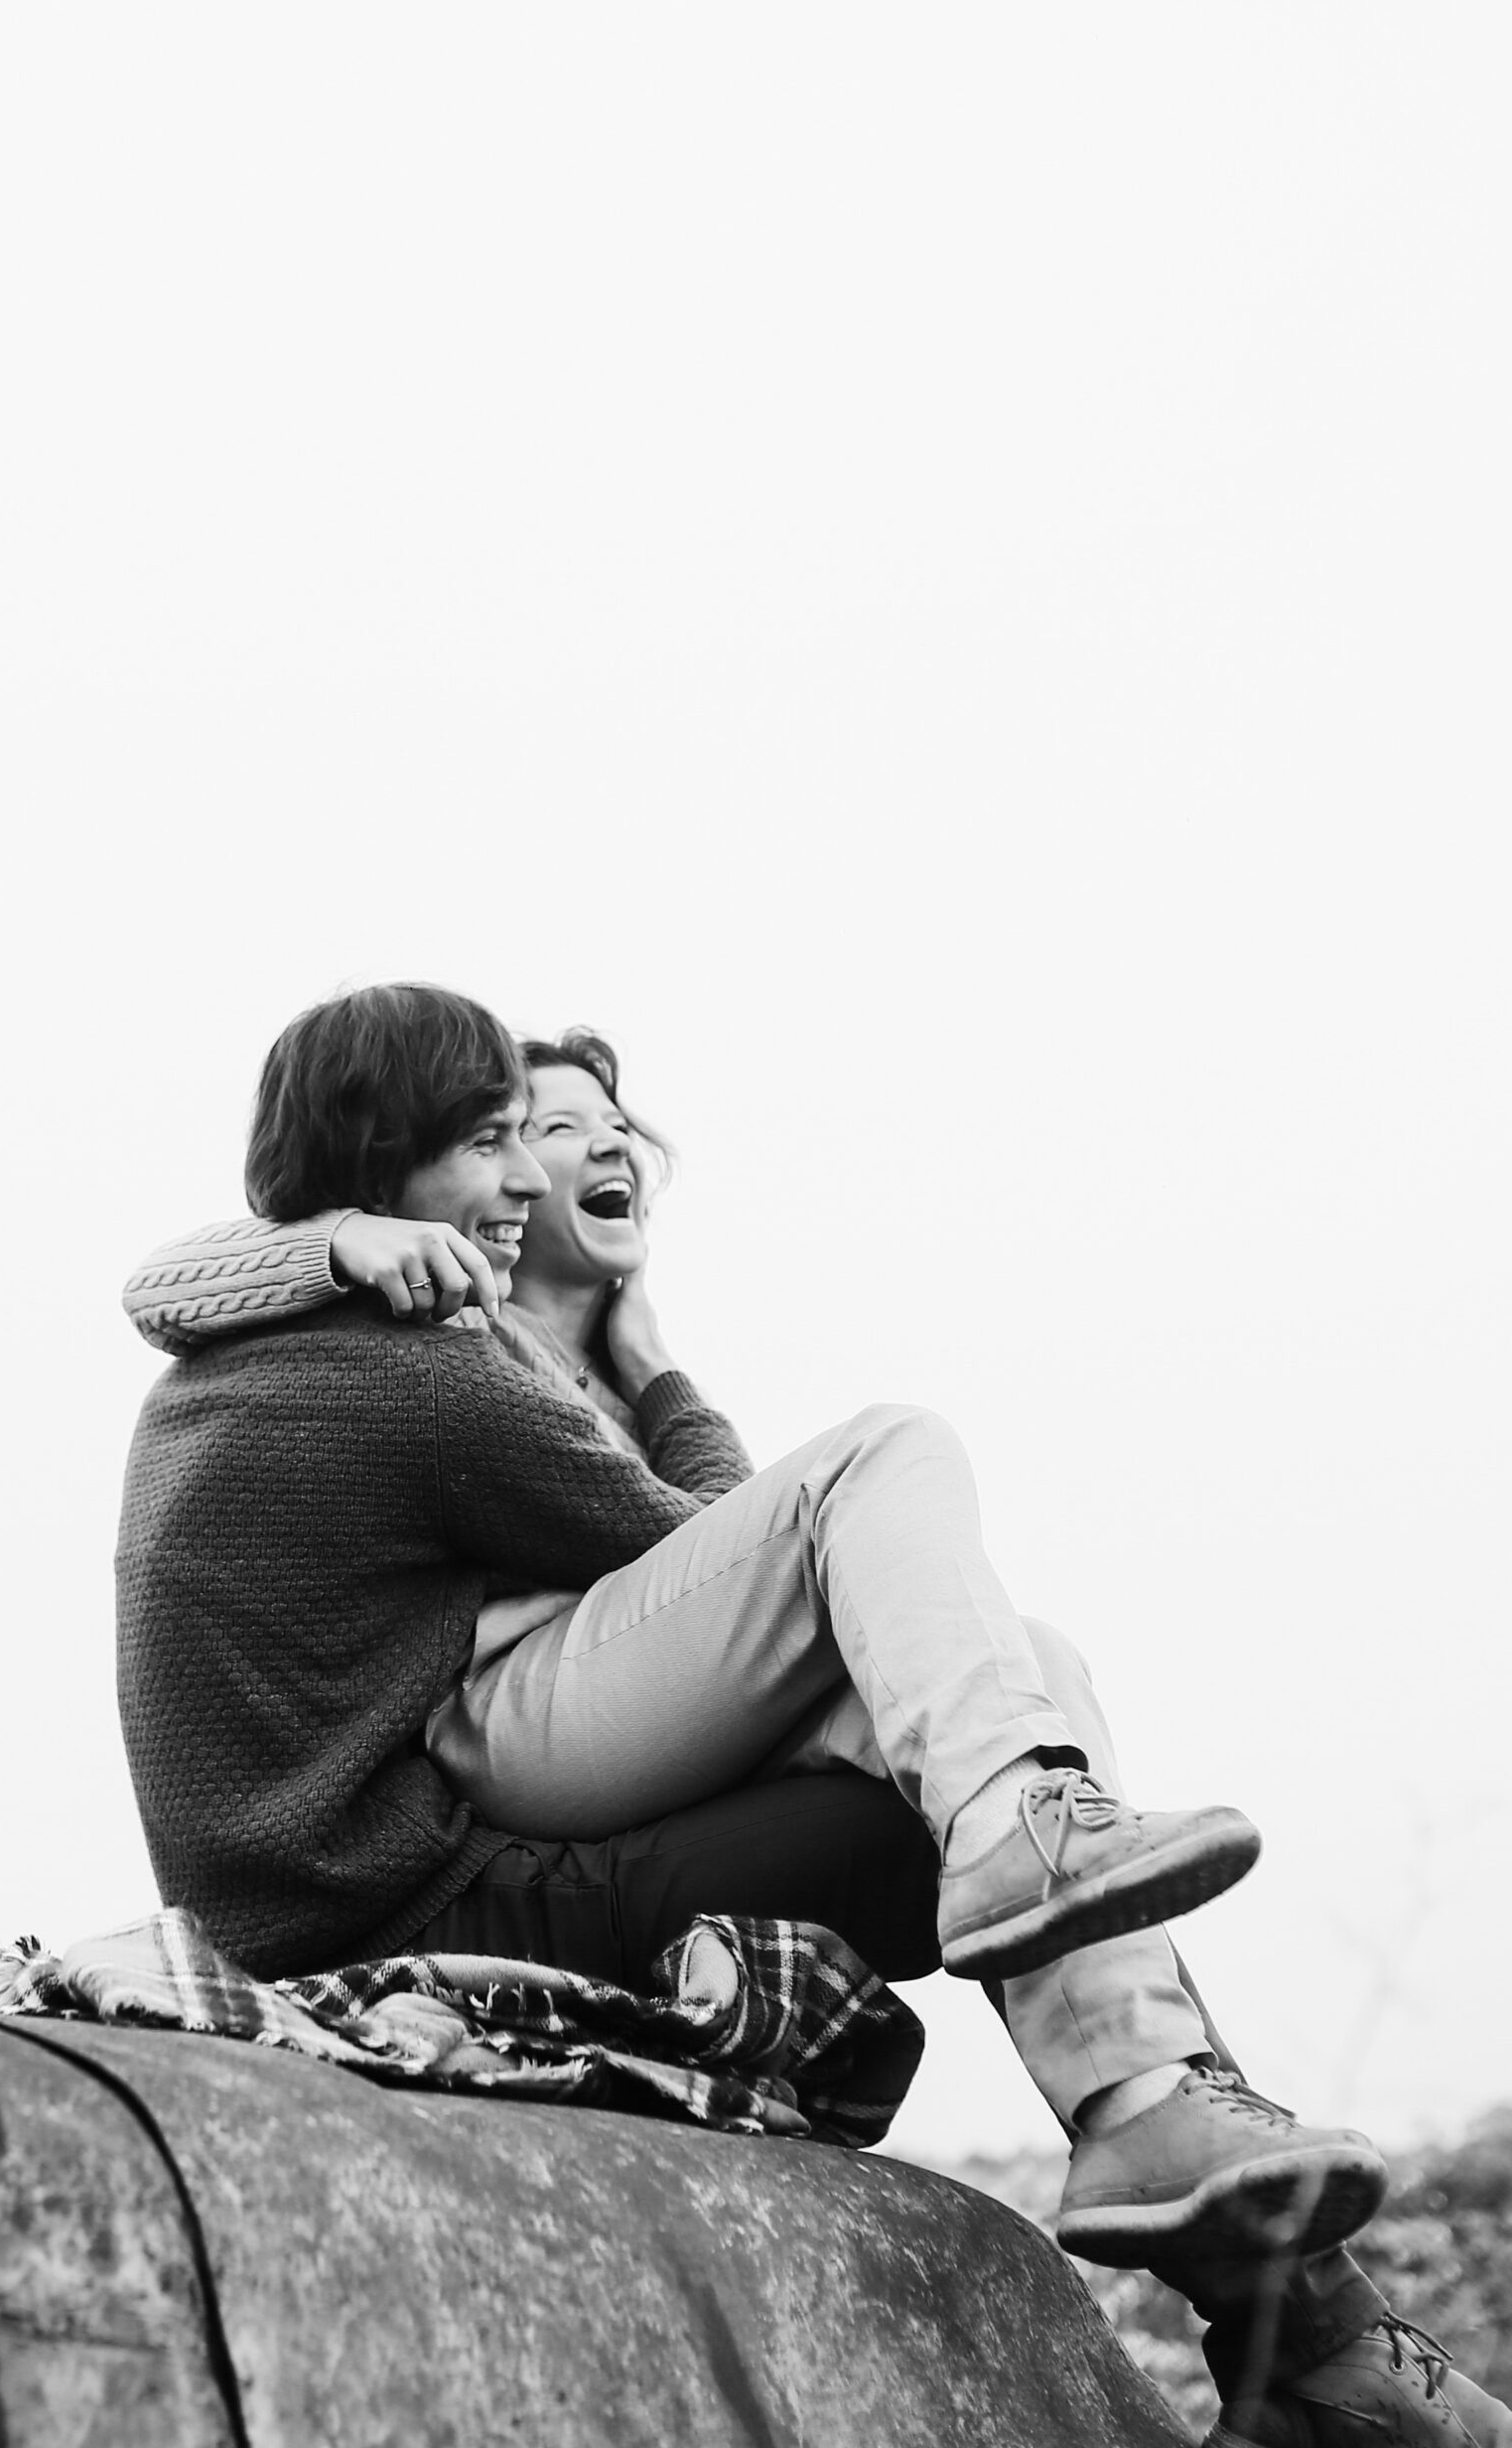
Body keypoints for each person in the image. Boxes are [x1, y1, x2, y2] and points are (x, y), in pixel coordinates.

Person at [115, 983, 1510, 2448]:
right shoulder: (416, 1366)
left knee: (1007, 1682)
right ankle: (1279, 2285)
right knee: (894, 1474)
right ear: (377, 1152)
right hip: (436, 1905)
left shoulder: (265, 1354)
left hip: (382, 1881)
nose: (530, 1173)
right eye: (492, 1141)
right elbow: (752, 1556)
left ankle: (1152, 2084)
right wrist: (655, 1367)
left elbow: (176, 1284)